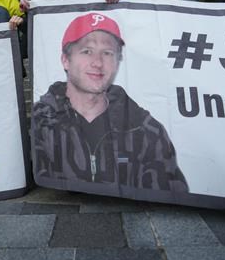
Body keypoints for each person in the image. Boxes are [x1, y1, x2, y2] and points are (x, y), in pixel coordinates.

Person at [32, 12, 188, 194]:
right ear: (65, 60)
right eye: (87, 51)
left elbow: (170, 195)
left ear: (118, 62)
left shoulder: (145, 129)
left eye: (107, 53)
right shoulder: (41, 122)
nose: (98, 63)